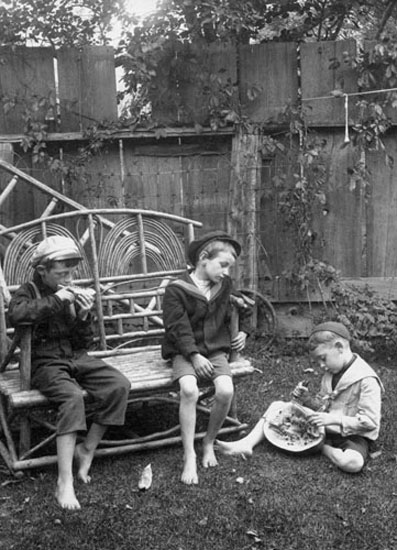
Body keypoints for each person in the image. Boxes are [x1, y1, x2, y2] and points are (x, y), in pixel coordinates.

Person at [8, 236, 130, 510]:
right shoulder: (28, 291)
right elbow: (17, 315)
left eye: (71, 273)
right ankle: (64, 482)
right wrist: (57, 299)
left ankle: (86, 449)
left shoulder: (70, 293)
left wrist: (84, 316)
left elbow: (82, 343)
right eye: (61, 273)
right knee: (72, 397)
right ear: (42, 271)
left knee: (119, 385)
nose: (68, 278)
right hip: (44, 363)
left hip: (74, 357)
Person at [216, 321, 383, 474]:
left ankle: (322, 448)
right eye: (318, 361)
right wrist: (306, 398)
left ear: (339, 347)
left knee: (352, 463)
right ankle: (247, 443)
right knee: (277, 405)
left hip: (352, 435)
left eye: (323, 358)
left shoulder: (367, 379)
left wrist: (333, 420)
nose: (321, 365)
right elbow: (322, 405)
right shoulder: (330, 373)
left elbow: (370, 422)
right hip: (325, 426)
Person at [162, 230, 252, 485]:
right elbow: (176, 328)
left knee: (225, 390)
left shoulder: (223, 287)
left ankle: (209, 441)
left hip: (214, 350)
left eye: (229, 267)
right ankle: (189, 453)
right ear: (203, 257)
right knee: (189, 390)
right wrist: (193, 356)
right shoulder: (176, 289)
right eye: (223, 265)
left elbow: (240, 306)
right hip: (184, 350)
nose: (226, 272)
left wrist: (243, 330)